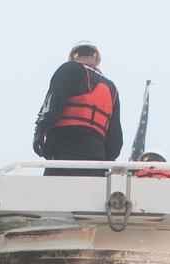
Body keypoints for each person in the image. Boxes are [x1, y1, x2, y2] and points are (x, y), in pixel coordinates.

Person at [33, 41, 123, 176]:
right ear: (96, 59)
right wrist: (106, 159)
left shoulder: (69, 69)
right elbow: (115, 139)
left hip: (63, 150)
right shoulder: (111, 88)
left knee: (53, 194)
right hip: (95, 156)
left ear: (74, 56)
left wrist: (39, 131)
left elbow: (52, 103)